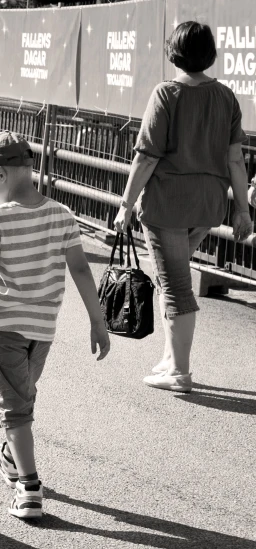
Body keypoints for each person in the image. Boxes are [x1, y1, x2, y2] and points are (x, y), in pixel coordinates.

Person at [0, 131, 110, 519]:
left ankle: (29, 488)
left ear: (0, 173)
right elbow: (81, 269)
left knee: (15, 409)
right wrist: (97, 322)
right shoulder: (62, 214)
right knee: (20, 398)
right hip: (42, 329)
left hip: (3, 327)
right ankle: (11, 460)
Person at [113, 22, 253, 394]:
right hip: (206, 205)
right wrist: (242, 210)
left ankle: (179, 371)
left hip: (167, 204)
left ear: (173, 52)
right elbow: (236, 160)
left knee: (174, 285)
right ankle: (170, 359)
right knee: (167, 278)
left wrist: (125, 204)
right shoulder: (225, 96)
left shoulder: (166, 94)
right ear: (210, 54)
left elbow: (146, 158)